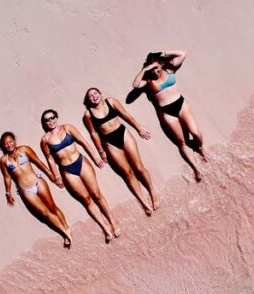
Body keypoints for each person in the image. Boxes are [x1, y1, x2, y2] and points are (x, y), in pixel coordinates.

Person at [39, 109, 121, 243]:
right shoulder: (45, 140)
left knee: (96, 194)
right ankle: (105, 228)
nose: (50, 121)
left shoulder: (67, 128)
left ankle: (113, 222)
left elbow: (83, 142)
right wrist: (57, 177)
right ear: (44, 123)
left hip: (81, 163)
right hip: (67, 170)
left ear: (56, 117)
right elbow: (50, 159)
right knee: (86, 200)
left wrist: (95, 157)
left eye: (52, 117)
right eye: (47, 120)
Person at [132, 50, 208, 182]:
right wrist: (145, 70)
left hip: (181, 105)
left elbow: (183, 54)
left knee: (195, 132)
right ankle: (196, 168)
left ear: (161, 64)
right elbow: (135, 85)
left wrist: (163, 53)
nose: (155, 71)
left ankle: (201, 148)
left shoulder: (170, 70)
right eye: (152, 69)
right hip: (166, 112)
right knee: (182, 142)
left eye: (156, 68)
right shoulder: (148, 81)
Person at [82, 87, 159, 215]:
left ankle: (152, 192)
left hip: (123, 134)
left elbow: (126, 115)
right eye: (90, 95)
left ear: (100, 94)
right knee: (127, 173)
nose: (94, 96)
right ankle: (143, 202)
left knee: (139, 168)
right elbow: (94, 134)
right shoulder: (88, 115)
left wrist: (139, 128)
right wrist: (101, 151)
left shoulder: (111, 102)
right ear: (88, 100)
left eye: (95, 93)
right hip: (109, 142)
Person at [0, 131, 73, 249]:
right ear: (3, 146)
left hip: (38, 183)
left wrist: (53, 177)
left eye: (11, 141)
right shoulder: (3, 161)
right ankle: (65, 233)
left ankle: (67, 227)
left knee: (52, 207)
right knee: (44, 213)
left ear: (15, 141)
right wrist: (8, 193)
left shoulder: (25, 150)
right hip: (26, 191)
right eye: (6, 144)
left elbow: (39, 163)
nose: (9, 145)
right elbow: (7, 177)